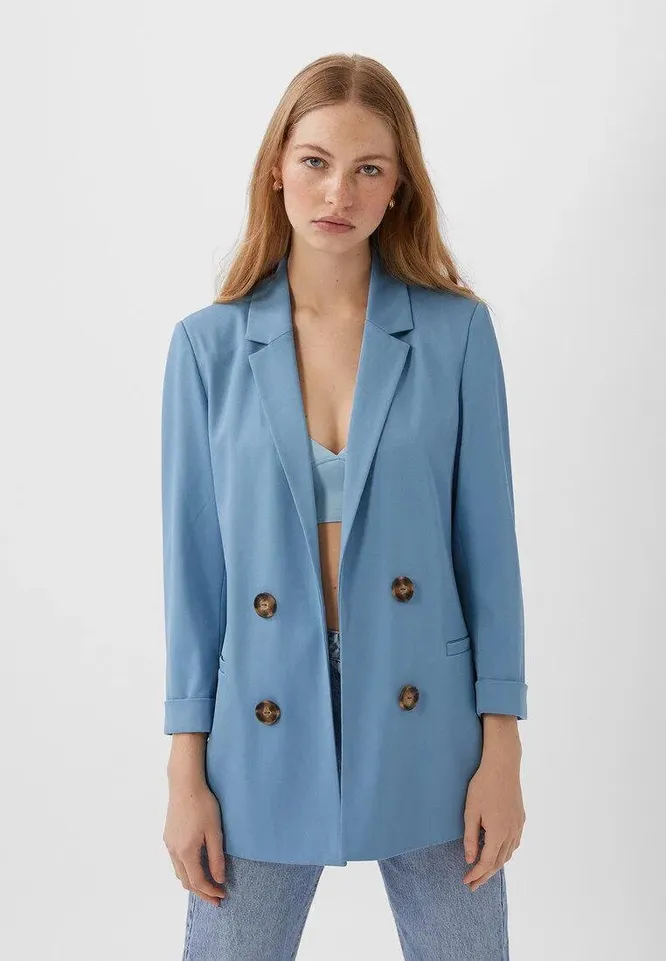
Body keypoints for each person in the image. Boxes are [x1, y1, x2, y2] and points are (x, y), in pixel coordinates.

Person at [161, 52, 527, 960]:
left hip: (429, 710)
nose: (338, 193)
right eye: (316, 161)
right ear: (276, 169)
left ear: (399, 187)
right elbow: (194, 578)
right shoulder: (206, 349)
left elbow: (489, 553)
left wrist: (503, 749)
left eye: (369, 168)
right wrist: (184, 771)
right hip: (259, 715)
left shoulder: (456, 333)